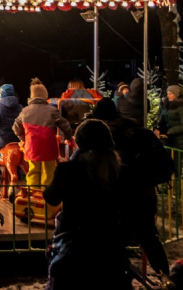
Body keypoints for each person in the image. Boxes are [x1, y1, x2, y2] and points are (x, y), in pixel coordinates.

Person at [91, 98, 173, 284]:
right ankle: (165, 277)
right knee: (148, 235)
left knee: (114, 239)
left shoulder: (109, 134)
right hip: (146, 192)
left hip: (122, 195)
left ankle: (118, 279)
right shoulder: (135, 128)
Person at [44, 119, 131, 289]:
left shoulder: (68, 169)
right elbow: (129, 206)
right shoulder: (122, 171)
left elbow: (51, 197)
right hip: (110, 243)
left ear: (79, 142)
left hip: (74, 244)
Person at [13, 78, 72, 191]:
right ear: (45, 96)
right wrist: (69, 137)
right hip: (49, 149)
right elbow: (65, 125)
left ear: (32, 96)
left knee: (33, 173)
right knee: (48, 174)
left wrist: (23, 139)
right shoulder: (52, 110)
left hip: (31, 148)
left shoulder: (25, 111)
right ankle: (45, 201)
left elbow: (15, 128)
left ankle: (33, 198)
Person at [155, 84, 183, 150]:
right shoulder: (166, 105)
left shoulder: (182, 107)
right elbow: (162, 119)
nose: (168, 96)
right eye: (167, 93)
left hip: (179, 140)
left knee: (176, 159)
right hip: (168, 139)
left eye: (170, 94)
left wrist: (169, 131)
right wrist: (158, 128)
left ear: (176, 95)